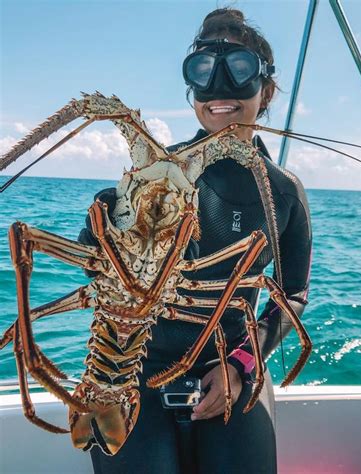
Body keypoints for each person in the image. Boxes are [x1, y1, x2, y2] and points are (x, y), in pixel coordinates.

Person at [79, 8, 312, 474]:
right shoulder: (157, 178)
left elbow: (292, 294)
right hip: (134, 368)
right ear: (192, 93)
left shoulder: (283, 190)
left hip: (230, 362)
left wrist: (243, 363)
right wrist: (99, 242)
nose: (220, 88)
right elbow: (106, 279)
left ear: (265, 91)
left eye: (240, 69)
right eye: (204, 70)